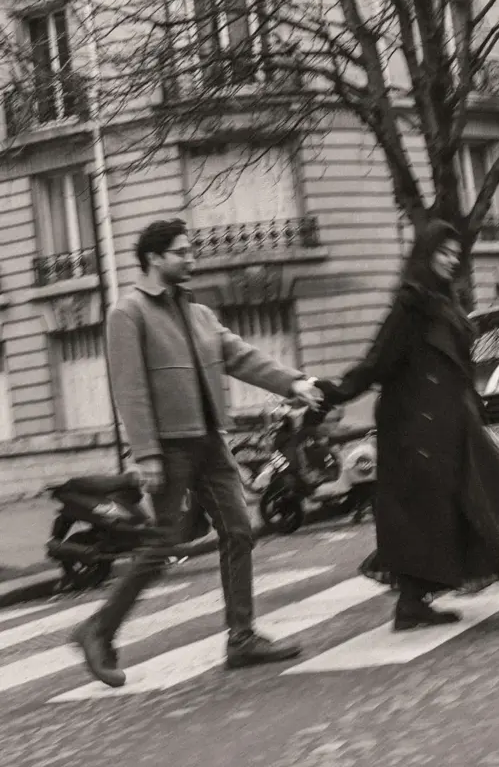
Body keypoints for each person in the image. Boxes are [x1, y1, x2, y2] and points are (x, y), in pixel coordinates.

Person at [72, 218, 324, 687]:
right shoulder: (128, 314)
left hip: (210, 442)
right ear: (154, 258)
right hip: (169, 448)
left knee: (239, 530)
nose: (191, 259)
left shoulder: (199, 314)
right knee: (163, 543)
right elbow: (130, 389)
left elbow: (243, 356)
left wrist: (293, 382)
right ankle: (97, 629)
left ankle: (242, 638)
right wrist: (145, 452)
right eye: (182, 252)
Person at [316, 220, 499, 631]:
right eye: (442, 253)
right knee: (478, 506)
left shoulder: (444, 299)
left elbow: (458, 368)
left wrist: (480, 415)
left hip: (454, 422)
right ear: (425, 254)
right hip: (421, 431)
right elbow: (377, 364)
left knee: (462, 510)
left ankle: (415, 603)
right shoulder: (411, 305)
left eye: (455, 254)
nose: (451, 260)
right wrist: (331, 393)